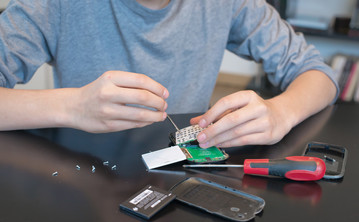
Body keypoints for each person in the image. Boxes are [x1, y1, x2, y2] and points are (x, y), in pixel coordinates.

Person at [0, 0, 338, 148]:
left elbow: (317, 74)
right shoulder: (50, 4)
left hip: (183, 184)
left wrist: (280, 112)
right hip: (80, 178)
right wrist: (73, 106)